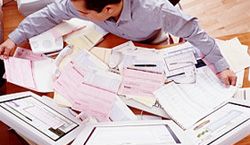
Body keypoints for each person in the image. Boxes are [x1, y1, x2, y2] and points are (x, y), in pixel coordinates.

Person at [0, 0, 237, 85]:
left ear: (107, 9)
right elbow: (51, 13)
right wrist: (14, 38)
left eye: (82, 13)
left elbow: (195, 32)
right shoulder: (86, 5)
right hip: (110, 40)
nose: (75, 13)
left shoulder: (157, 10)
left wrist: (222, 65)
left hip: (150, 42)